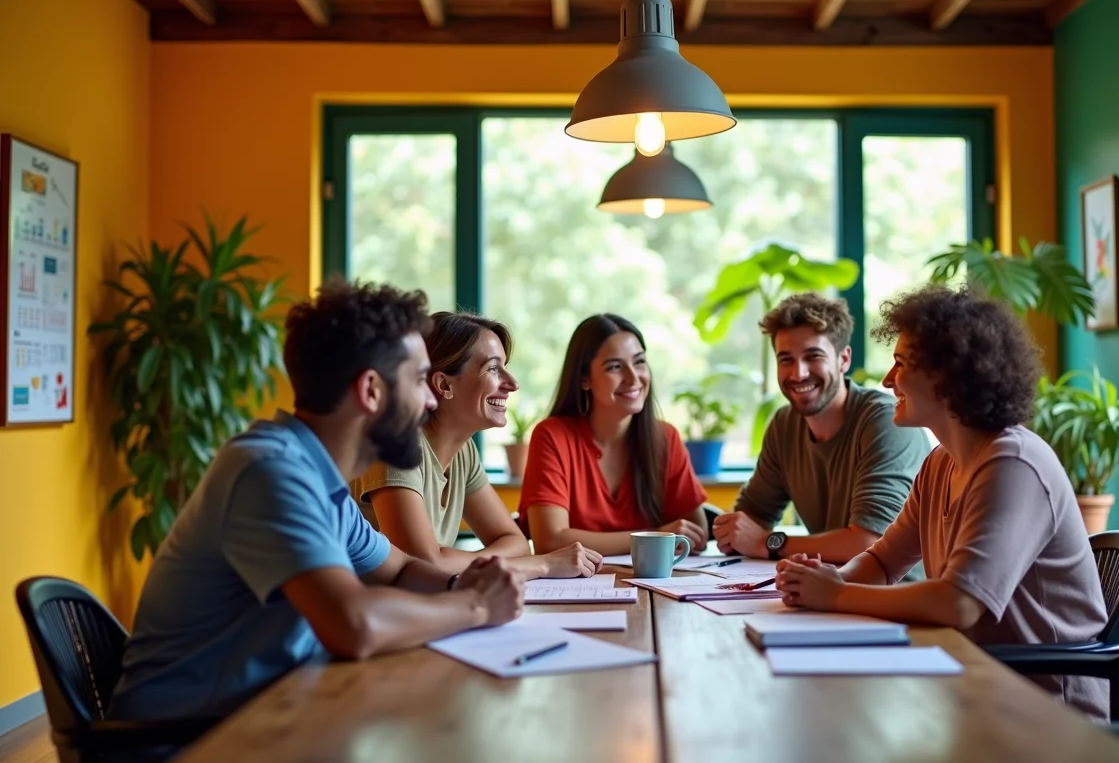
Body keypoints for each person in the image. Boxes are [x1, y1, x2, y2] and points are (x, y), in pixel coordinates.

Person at [109, 280, 524, 726]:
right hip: (186, 742)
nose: (428, 401)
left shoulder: (320, 480)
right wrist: (476, 606)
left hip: (269, 716)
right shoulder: (270, 472)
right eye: (420, 380)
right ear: (371, 390)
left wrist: (469, 583)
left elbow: (402, 570)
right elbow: (354, 625)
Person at [776, 286, 1109, 721]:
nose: (886, 380)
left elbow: (959, 603)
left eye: (900, 364)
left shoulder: (1013, 463)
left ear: (947, 376)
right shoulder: (941, 464)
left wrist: (836, 594)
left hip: (1045, 716)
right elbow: (881, 562)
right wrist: (825, 581)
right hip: (975, 686)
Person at [352, 311, 602, 578]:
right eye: (493, 368)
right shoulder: (395, 445)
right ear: (444, 385)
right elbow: (423, 564)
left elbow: (516, 544)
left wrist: (456, 560)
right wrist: (543, 564)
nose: (512, 384)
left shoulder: (463, 452)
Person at [713, 292, 931, 566]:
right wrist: (728, 531)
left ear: (844, 359)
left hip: (895, 599)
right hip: (828, 592)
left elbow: (870, 542)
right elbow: (749, 520)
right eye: (786, 360)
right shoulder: (784, 425)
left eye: (812, 356)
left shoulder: (885, 421)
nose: (798, 373)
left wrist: (767, 542)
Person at [520, 313, 710, 556]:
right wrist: (655, 537)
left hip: (654, 588)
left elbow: (697, 533)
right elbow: (550, 539)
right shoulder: (552, 436)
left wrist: (662, 536)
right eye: (615, 367)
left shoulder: (665, 437)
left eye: (639, 362)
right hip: (576, 589)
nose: (633, 378)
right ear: (584, 379)